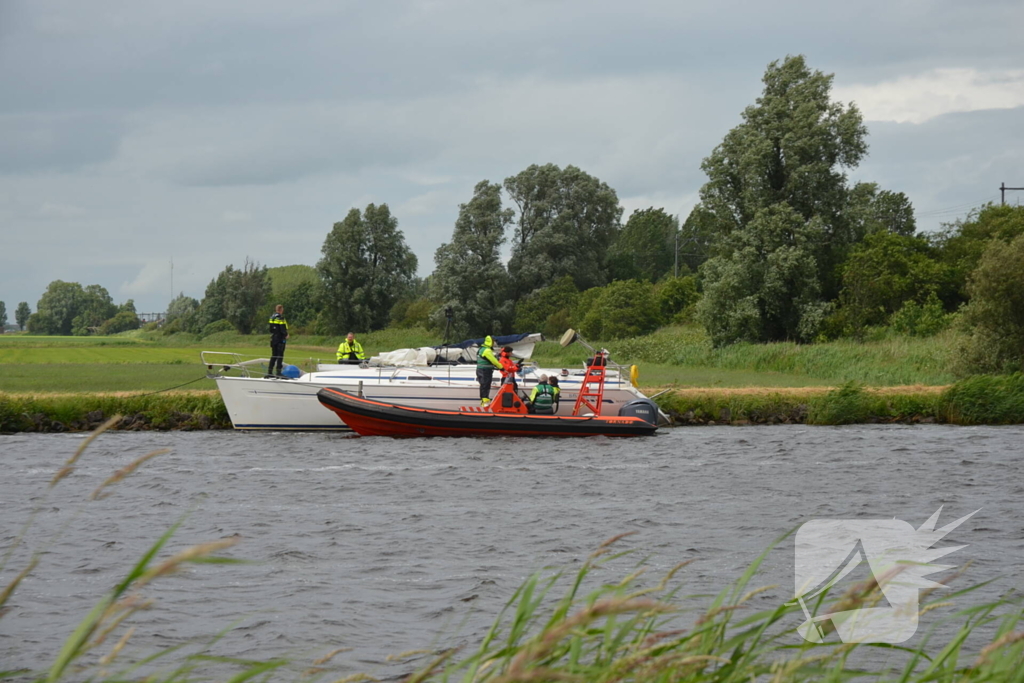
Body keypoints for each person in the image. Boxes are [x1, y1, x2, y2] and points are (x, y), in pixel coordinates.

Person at [476, 335, 502, 405]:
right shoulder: (487, 350)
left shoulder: (481, 349)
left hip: (480, 370)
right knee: (486, 385)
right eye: (494, 342)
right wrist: (501, 367)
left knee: (483, 385)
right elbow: (494, 361)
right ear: (491, 342)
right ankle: (485, 402)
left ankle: (483, 400)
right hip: (485, 371)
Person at [267, 304, 288, 377]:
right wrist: (286, 335)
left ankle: (269, 371)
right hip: (280, 339)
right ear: (281, 310)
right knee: (280, 356)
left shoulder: (272, 317)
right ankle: (278, 372)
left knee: (274, 355)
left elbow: (270, 329)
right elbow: (282, 328)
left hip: (273, 338)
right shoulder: (280, 318)